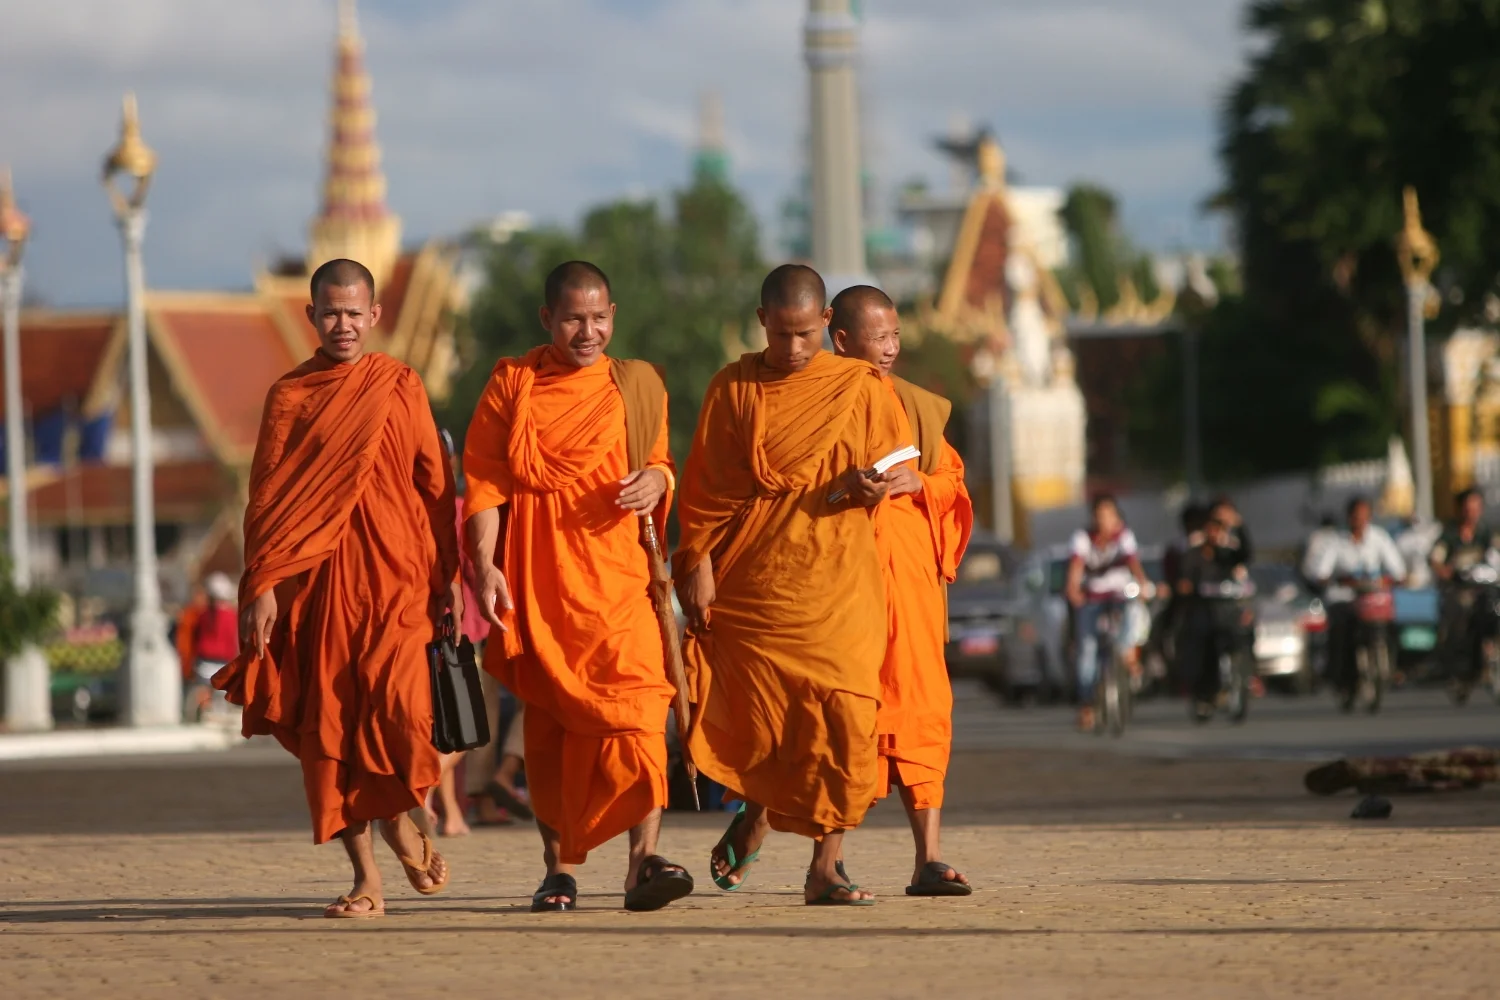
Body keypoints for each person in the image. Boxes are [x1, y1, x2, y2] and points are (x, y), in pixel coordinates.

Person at [213, 258, 460, 919]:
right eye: (331, 313)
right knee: (332, 729)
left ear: (374, 315)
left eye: (354, 313)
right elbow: (266, 499)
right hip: (320, 588)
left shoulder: (399, 384)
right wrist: (262, 586)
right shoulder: (291, 396)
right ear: (312, 316)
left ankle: (400, 819)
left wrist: (450, 575)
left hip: (399, 580)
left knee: (403, 715)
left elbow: (436, 485)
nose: (343, 325)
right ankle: (365, 879)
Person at [463, 260, 692, 914]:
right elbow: (484, 483)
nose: (587, 332)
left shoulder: (638, 385)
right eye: (572, 319)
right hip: (543, 587)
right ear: (547, 319)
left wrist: (658, 481)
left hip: (620, 585)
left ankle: (644, 863)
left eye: (597, 318)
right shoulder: (514, 386)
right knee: (553, 732)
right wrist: (485, 566)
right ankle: (557, 869)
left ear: (613, 316)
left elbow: (660, 462)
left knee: (642, 713)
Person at [674, 263, 905, 906]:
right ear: (762, 322)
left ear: (827, 323)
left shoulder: (859, 386)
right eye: (782, 334)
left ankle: (826, 866)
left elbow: (892, 466)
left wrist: (869, 487)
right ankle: (756, 813)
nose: (795, 347)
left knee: (847, 720)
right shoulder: (734, 389)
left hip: (841, 585)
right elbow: (705, 490)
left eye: (805, 333)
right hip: (760, 584)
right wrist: (696, 563)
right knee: (771, 723)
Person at [828, 285, 974, 897]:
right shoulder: (815, 404)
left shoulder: (915, 406)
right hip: (845, 587)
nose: (889, 348)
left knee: (921, 711)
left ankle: (928, 860)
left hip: (909, 590)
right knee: (844, 719)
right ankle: (825, 860)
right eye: (877, 337)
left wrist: (920, 484)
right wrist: (846, 491)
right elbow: (789, 488)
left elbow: (952, 481)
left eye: (894, 336)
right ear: (842, 341)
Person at [1063, 494, 1153, 732]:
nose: (1105, 520)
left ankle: (1127, 652)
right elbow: (1076, 568)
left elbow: (1133, 563)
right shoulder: (1082, 538)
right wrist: (1073, 589)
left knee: (1134, 612)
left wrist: (1143, 584)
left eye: (1109, 515)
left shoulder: (1124, 536)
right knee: (1087, 650)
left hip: (1120, 596)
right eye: (1100, 515)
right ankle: (1087, 704)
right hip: (1092, 598)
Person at [1303, 496, 1406, 699]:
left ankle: (1395, 666)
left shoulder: (1379, 538)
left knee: (1391, 625)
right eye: (1355, 516)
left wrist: (1391, 579)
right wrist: (1336, 580)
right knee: (1341, 630)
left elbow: (1398, 570)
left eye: (1363, 516)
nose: (1359, 520)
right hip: (1344, 598)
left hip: (1372, 598)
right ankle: (1341, 676)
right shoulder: (1336, 541)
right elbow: (1322, 572)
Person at [1175, 512, 1252, 720]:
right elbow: (1184, 581)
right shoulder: (1193, 555)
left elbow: (1245, 554)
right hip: (1203, 609)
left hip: (1226, 609)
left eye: (1219, 530)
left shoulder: (1226, 554)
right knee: (1202, 645)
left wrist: (1240, 526)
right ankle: (1203, 692)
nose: (1214, 534)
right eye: (1211, 529)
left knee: (1240, 638)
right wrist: (1186, 587)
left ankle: (1242, 680)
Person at [1429, 488, 1500, 685]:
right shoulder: (1449, 535)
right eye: (1468, 508)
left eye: (1476, 508)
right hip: (1458, 590)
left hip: (1484, 588)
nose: (1471, 512)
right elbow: (1435, 560)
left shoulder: (1486, 533)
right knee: (1460, 613)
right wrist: (1446, 572)